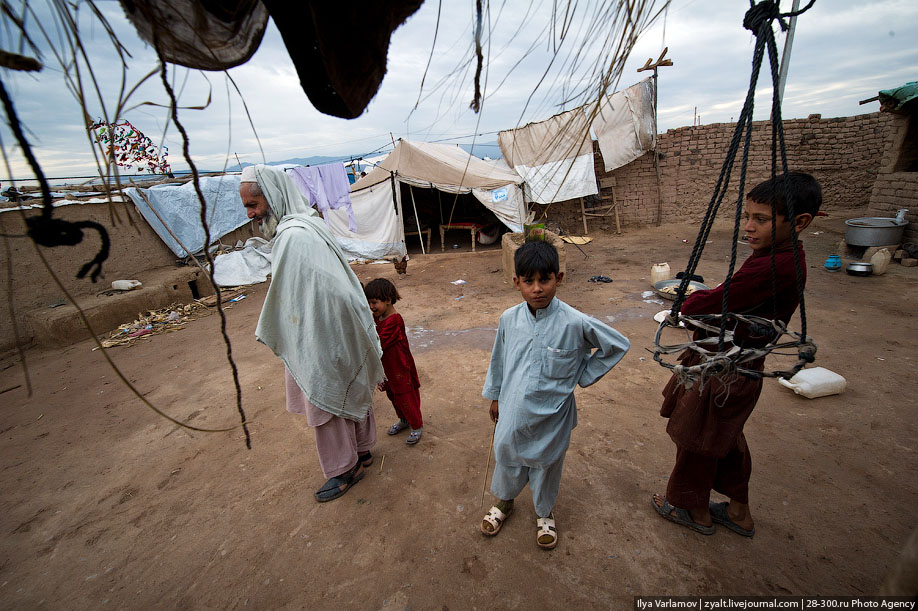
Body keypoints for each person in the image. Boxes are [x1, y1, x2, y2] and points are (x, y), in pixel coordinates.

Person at [651, 171, 822, 537]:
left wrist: (689, 302)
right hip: (740, 362)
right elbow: (734, 297)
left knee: (698, 435)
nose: (748, 227)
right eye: (747, 217)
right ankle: (739, 511)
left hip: (725, 368)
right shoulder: (780, 256)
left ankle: (692, 509)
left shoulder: (774, 266)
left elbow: (712, 303)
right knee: (724, 435)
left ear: (800, 222)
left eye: (760, 219)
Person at [240, 164, 385, 502]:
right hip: (340, 327)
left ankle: (345, 470)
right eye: (247, 206)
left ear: (273, 196)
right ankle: (362, 450)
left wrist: (295, 330)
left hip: (320, 334)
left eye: (254, 204)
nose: (251, 214)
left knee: (324, 397)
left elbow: (309, 295)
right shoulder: (310, 223)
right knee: (347, 385)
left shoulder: (293, 236)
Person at [480, 240, 630, 549]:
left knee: (547, 463)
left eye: (544, 280)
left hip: (554, 412)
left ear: (558, 278)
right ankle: (505, 501)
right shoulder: (509, 319)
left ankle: (544, 512)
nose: (537, 289)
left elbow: (616, 345)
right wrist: (495, 396)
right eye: (528, 281)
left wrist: (581, 375)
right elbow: (499, 359)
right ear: (516, 282)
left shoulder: (574, 322)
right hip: (513, 407)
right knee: (507, 452)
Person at [363, 278, 424, 445]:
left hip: (400, 368)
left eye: (374, 302)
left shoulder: (394, 320)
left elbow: (378, 343)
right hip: (387, 369)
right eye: (369, 303)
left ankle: (416, 425)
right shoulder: (378, 318)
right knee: (393, 396)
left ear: (388, 300)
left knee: (406, 396)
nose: (371, 307)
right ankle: (404, 420)